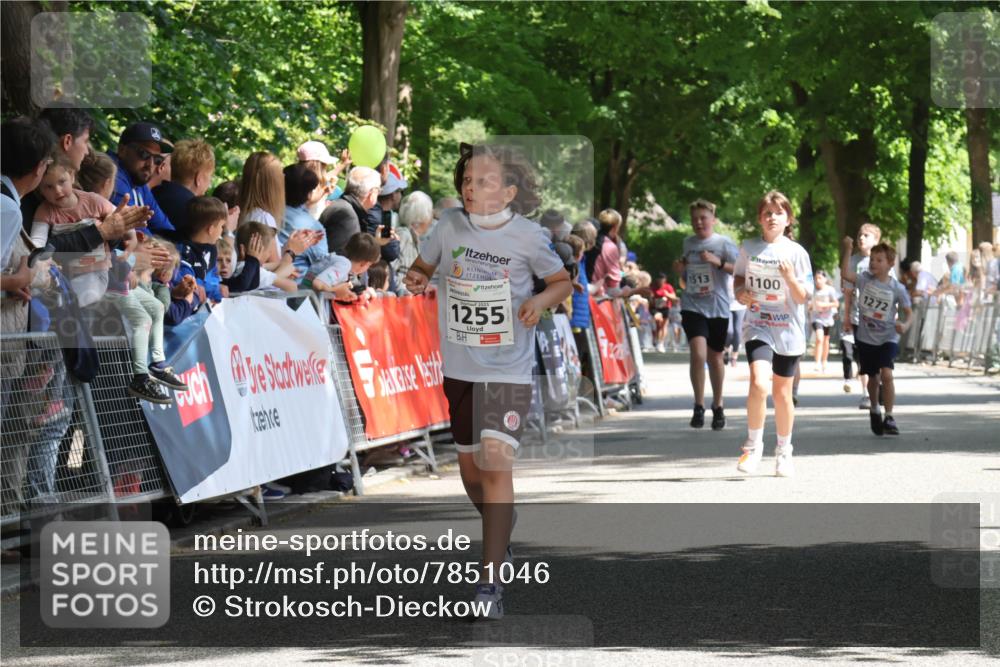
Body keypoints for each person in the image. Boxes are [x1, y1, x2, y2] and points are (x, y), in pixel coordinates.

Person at [403, 143, 572, 620]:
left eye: (483, 181)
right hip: (460, 368)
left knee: (495, 466)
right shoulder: (448, 226)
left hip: (507, 368)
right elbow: (422, 268)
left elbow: (562, 282)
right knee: (472, 476)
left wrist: (538, 302)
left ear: (509, 192)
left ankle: (490, 583)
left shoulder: (527, 236)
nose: (471, 187)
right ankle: (502, 524)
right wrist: (417, 279)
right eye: (466, 180)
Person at [733, 191, 813, 477]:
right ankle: (753, 447)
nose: (772, 217)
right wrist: (741, 292)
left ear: (788, 219)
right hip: (758, 324)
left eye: (778, 213)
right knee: (758, 383)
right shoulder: (749, 248)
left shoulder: (797, 253)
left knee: (782, 394)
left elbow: (803, 297)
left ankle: (783, 451)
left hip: (788, 329)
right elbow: (738, 277)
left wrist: (790, 278)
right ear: (759, 218)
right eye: (767, 213)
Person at [678, 199, 738, 430]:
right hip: (692, 305)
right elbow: (685, 278)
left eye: (703, 218)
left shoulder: (723, 243)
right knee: (698, 353)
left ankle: (718, 404)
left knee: (715, 358)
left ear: (713, 219)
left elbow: (740, 270)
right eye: (694, 219)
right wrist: (680, 270)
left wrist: (718, 262)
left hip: (718, 307)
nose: (699, 222)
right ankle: (699, 405)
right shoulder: (688, 243)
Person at [31, 153, 121, 307]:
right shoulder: (45, 211)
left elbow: (119, 219)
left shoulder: (93, 201)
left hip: (94, 271)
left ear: (72, 176)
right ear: (40, 189)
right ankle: (58, 300)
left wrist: (131, 238)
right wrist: (39, 256)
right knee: (39, 285)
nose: (57, 190)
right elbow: (36, 241)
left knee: (86, 291)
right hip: (63, 272)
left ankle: (66, 302)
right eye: (49, 187)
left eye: (62, 182)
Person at [846, 243, 912, 436]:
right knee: (873, 378)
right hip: (866, 338)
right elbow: (845, 274)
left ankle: (889, 416)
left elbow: (909, 313)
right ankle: (875, 408)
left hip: (888, 337)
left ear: (890, 264)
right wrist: (848, 250)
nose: (873, 263)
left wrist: (905, 325)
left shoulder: (897, 288)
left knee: (887, 374)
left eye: (879, 260)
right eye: (872, 259)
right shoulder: (864, 280)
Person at [175, 196, 269, 305]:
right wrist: (211, 288)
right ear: (211, 229)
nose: (222, 231)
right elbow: (188, 280)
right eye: (222, 226)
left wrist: (254, 260)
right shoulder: (183, 252)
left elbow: (221, 283)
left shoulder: (211, 250)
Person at [840, 222, 886, 407]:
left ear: (876, 240)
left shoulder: (883, 261)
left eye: (866, 235)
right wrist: (846, 317)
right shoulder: (853, 261)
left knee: (879, 357)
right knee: (864, 357)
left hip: (880, 317)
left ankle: (879, 385)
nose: (861, 238)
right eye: (860, 234)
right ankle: (867, 394)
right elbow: (848, 291)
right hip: (859, 316)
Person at [109, 121, 176, 235]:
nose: (150, 165)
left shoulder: (139, 182)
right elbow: (140, 236)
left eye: (157, 160)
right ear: (122, 150)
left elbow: (166, 229)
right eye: (144, 154)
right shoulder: (112, 175)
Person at [153, 138, 216, 237]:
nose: (210, 183)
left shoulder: (153, 193)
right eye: (210, 176)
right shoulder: (196, 213)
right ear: (199, 178)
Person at [280, 163, 328, 281]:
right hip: (295, 287)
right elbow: (323, 266)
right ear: (309, 194)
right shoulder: (312, 227)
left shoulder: (265, 212)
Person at [320, 166, 383, 254]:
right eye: (379, 190)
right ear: (372, 193)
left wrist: (376, 242)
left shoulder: (342, 206)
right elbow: (342, 258)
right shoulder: (347, 216)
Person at [303, 231, 380, 302]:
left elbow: (354, 286)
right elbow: (317, 284)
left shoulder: (344, 266)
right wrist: (336, 292)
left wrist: (364, 291)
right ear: (364, 263)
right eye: (369, 265)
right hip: (304, 302)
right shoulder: (344, 264)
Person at [394, 190, 434, 292]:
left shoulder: (414, 238)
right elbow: (391, 272)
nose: (431, 218)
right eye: (430, 212)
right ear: (423, 215)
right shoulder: (404, 235)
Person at [809, 269, 838, 374]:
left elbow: (836, 303)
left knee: (825, 340)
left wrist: (825, 305)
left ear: (825, 279)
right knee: (819, 338)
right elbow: (808, 304)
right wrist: (812, 306)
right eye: (816, 278)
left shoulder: (830, 290)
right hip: (816, 317)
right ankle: (817, 362)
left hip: (827, 318)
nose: (818, 280)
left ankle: (824, 361)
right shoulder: (811, 289)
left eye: (820, 278)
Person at [591, 209, 625, 295]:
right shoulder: (609, 246)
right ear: (615, 227)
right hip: (598, 294)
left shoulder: (591, 239)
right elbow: (614, 280)